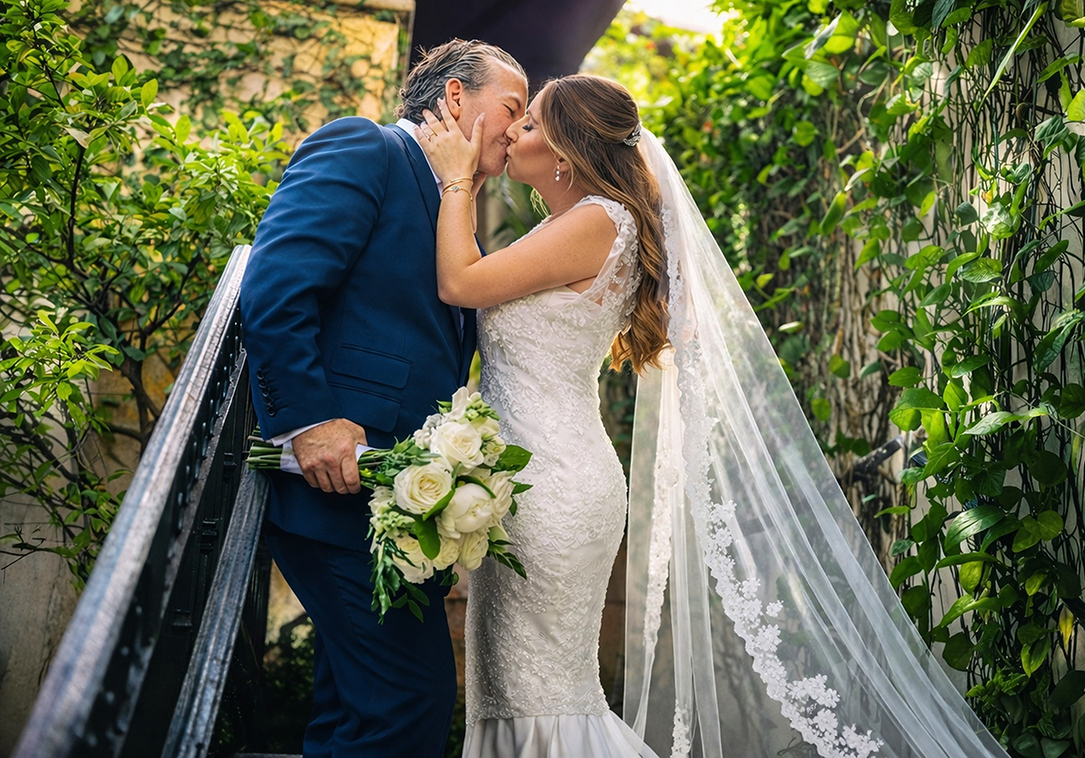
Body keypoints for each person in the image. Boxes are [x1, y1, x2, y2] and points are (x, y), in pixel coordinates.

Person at [416, 74, 1012, 758]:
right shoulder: (571, 224)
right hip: (532, 476)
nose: (512, 133)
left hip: (549, 489)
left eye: (529, 124)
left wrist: (458, 179)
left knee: (540, 697)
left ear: (565, 152)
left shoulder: (596, 221)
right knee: (517, 693)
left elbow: (459, 282)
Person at [239, 40, 527, 758]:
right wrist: (307, 420)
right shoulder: (362, 148)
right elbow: (275, 288)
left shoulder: (451, 203)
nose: (518, 131)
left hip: (391, 502)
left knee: (356, 714)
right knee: (408, 703)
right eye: (512, 110)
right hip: (333, 484)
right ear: (456, 99)